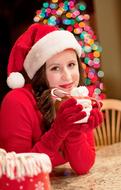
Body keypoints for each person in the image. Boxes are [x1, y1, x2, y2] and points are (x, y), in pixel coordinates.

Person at [0, 23, 103, 175]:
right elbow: (18, 171)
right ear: (40, 72)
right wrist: (59, 130)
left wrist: (75, 131)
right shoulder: (17, 101)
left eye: (71, 64)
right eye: (55, 68)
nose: (68, 77)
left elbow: (83, 167)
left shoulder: (77, 98)